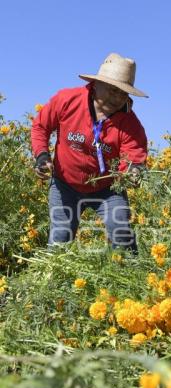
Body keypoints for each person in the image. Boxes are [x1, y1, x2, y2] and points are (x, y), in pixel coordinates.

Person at [31, 52, 148, 253]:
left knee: (121, 231)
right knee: (60, 240)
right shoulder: (67, 100)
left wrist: (133, 171)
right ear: (96, 84)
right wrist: (42, 156)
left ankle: (130, 277)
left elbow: (134, 156)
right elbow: (40, 126)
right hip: (64, 184)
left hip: (107, 189)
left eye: (123, 93)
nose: (118, 98)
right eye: (113, 90)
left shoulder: (130, 124)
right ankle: (52, 282)